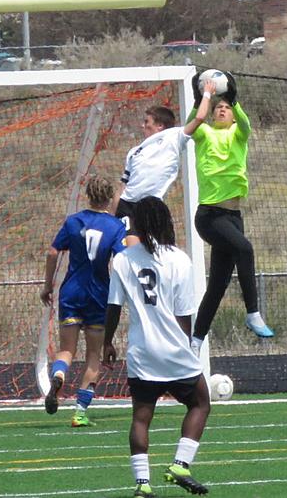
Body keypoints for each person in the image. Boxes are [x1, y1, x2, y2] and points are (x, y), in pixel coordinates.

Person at [104, 196, 211, 497]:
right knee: (201, 403)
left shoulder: (124, 259)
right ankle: (180, 464)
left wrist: (108, 342)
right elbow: (184, 314)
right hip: (175, 349)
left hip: (142, 352)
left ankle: (142, 485)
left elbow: (113, 307)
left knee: (141, 415)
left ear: (136, 224)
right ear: (165, 221)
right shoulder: (179, 259)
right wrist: (187, 348)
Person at [188, 72, 273, 356]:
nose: (221, 109)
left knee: (217, 286)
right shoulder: (204, 134)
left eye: (226, 107)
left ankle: (195, 341)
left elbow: (246, 123)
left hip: (233, 218)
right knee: (245, 250)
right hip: (210, 217)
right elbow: (196, 118)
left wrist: (232, 98)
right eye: (217, 108)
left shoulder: (239, 134)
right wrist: (203, 95)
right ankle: (253, 312)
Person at [40, 176, 127, 427]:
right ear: (110, 198)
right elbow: (122, 259)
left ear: (88, 195)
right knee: (93, 355)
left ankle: (58, 376)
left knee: (67, 350)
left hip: (72, 292)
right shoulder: (115, 226)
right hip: (99, 294)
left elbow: (53, 251)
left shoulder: (73, 221)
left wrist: (48, 286)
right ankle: (79, 413)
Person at [113, 104, 207, 246]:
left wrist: (206, 93)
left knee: (163, 250)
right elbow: (122, 187)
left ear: (160, 126)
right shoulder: (134, 151)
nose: (142, 125)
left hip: (152, 206)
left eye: (146, 122)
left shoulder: (174, 138)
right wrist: (110, 217)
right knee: (131, 250)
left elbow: (199, 118)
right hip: (127, 207)